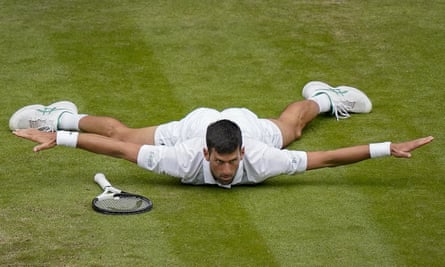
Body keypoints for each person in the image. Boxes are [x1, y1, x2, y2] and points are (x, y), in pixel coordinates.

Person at [10, 81, 433, 188]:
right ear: (207, 154)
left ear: (242, 153)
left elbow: (325, 158)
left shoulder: (263, 158)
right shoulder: (182, 155)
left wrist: (384, 149)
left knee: (295, 125)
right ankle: (61, 117)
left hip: (246, 125)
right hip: (195, 124)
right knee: (125, 132)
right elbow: (118, 148)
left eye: (232, 162)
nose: (228, 169)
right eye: (221, 161)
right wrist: (62, 140)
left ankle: (324, 97)